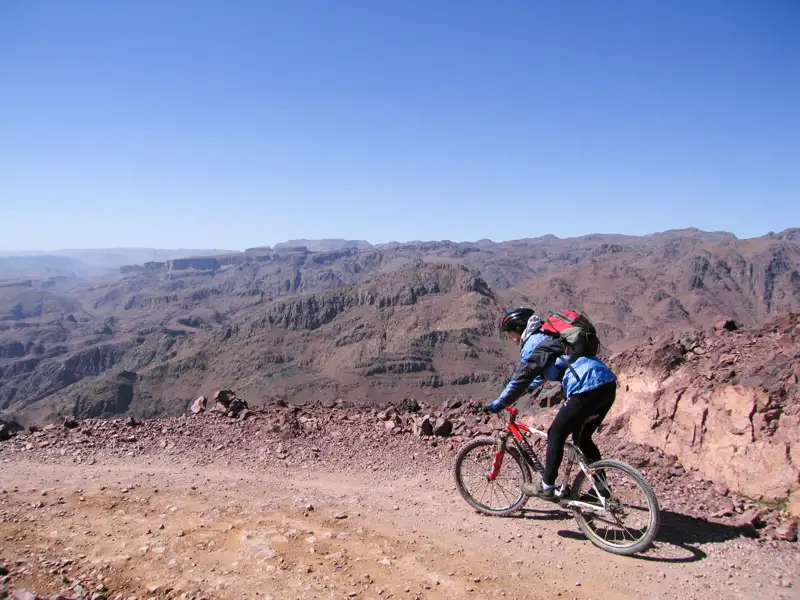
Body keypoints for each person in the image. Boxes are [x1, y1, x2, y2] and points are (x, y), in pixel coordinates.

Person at [484, 307, 618, 500]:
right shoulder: (550, 337)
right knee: (583, 439)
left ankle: (547, 487)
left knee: (556, 433)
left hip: (586, 388)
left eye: (511, 334)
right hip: (606, 385)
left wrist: (499, 403)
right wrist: (526, 390)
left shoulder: (534, 343)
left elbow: (522, 377)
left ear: (519, 329)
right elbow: (542, 374)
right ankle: (602, 492)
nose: (512, 340)